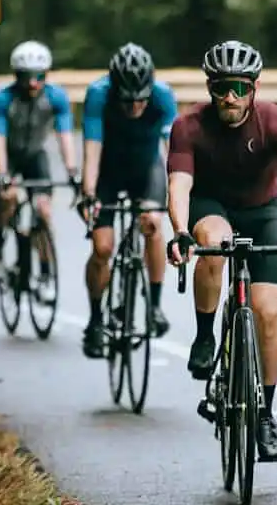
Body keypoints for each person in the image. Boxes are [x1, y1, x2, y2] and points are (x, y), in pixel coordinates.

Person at [164, 39, 277, 463]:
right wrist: (180, 232)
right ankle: (203, 336)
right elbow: (179, 185)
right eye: (220, 88)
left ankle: (265, 414)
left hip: (261, 211)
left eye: (238, 87)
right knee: (214, 243)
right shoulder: (189, 126)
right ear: (209, 88)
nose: (229, 97)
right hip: (211, 207)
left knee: (268, 312)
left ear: (254, 87)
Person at [76, 43, 177, 359]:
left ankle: (155, 306)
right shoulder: (98, 95)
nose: (134, 108)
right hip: (107, 171)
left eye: (140, 101)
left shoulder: (163, 96)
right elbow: (91, 150)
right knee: (102, 247)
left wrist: (181, 192)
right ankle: (95, 320)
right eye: (127, 101)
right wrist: (89, 194)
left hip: (146, 169)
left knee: (152, 223)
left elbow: (173, 152)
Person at [0, 40, 78, 301]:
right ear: (17, 76)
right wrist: (3, 175)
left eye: (39, 77)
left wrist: (73, 170)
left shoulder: (56, 97)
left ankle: (46, 273)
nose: (33, 83)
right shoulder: (3, 99)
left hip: (35, 155)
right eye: (27, 77)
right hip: (7, 156)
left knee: (44, 210)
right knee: (10, 198)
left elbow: (65, 136)